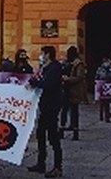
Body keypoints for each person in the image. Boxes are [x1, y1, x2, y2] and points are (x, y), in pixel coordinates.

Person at [27, 45, 63, 178]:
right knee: (40, 134)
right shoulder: (46, 68)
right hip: (45, 106)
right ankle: (41, 163)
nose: (41, 55)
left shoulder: (54, 68)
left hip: (51, 106)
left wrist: (35, 83)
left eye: (42, 53)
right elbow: (41, 80)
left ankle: (58, 167)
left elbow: (48, 84)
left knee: (53, 137)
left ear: (47, 54)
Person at [61, 46, 86, 141]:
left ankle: (75, 132)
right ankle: (62, 129)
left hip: (74, 90)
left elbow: (80, 77)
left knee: (74, 111)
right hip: (65, 89)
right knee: (64, 110)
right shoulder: (67, 62)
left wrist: (69, 79)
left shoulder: (79, 64)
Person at [95, 57, 111, 123]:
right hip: (107, 85)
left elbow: (97, 76)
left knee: (102, 102)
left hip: (102, 85)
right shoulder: (110, 68)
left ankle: (101, 116)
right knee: (106, 102)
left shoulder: (100, 68)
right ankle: (106, 117)